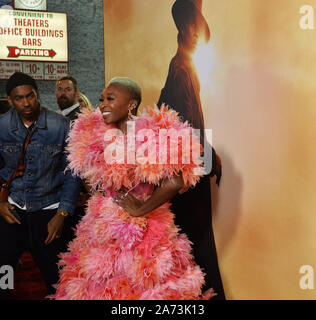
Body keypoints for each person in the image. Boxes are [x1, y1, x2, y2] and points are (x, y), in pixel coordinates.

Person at [53, 77, 216, 300]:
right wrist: (102, 199)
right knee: (100, 284)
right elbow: (92, 180)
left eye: (110, 99)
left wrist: (141, 208)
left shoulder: (151, 134)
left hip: (144, 230)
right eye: (102, 99)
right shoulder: (97, 134)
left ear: (131, 104)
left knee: (142, 284)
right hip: (102, 226)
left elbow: (177, 180)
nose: (102, 104)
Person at [157, 0, 226, 299]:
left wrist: (209, 153)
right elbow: (181, 124)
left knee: (196, 241)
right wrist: (207, 154)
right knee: (194, 242)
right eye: (190, 25)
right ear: (181, 29)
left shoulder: (186, 65)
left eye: (198, 26)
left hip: (191, 169)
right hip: (185, 174)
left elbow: (188, 122)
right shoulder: (180, 67)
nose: (195, 32)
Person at [0, 72, 80, 299]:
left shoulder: (61, 126)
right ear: (10, 100)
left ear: (37, 94)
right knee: (3, 267)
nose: (26, 103)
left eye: (30, 96)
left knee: (55, 274)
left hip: (48, 211)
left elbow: (72, 173)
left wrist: (62, 213)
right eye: (19, 98)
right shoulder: (2, 126)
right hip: (12, 210)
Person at [55, 75, 89, 242]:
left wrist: (83, 192)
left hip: (77, 194)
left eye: (67, 90)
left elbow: (86, 158)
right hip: (59, 191)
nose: (62, 93)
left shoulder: (82, 119)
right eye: (60, 89)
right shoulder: (55, 118)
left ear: (76, 93)